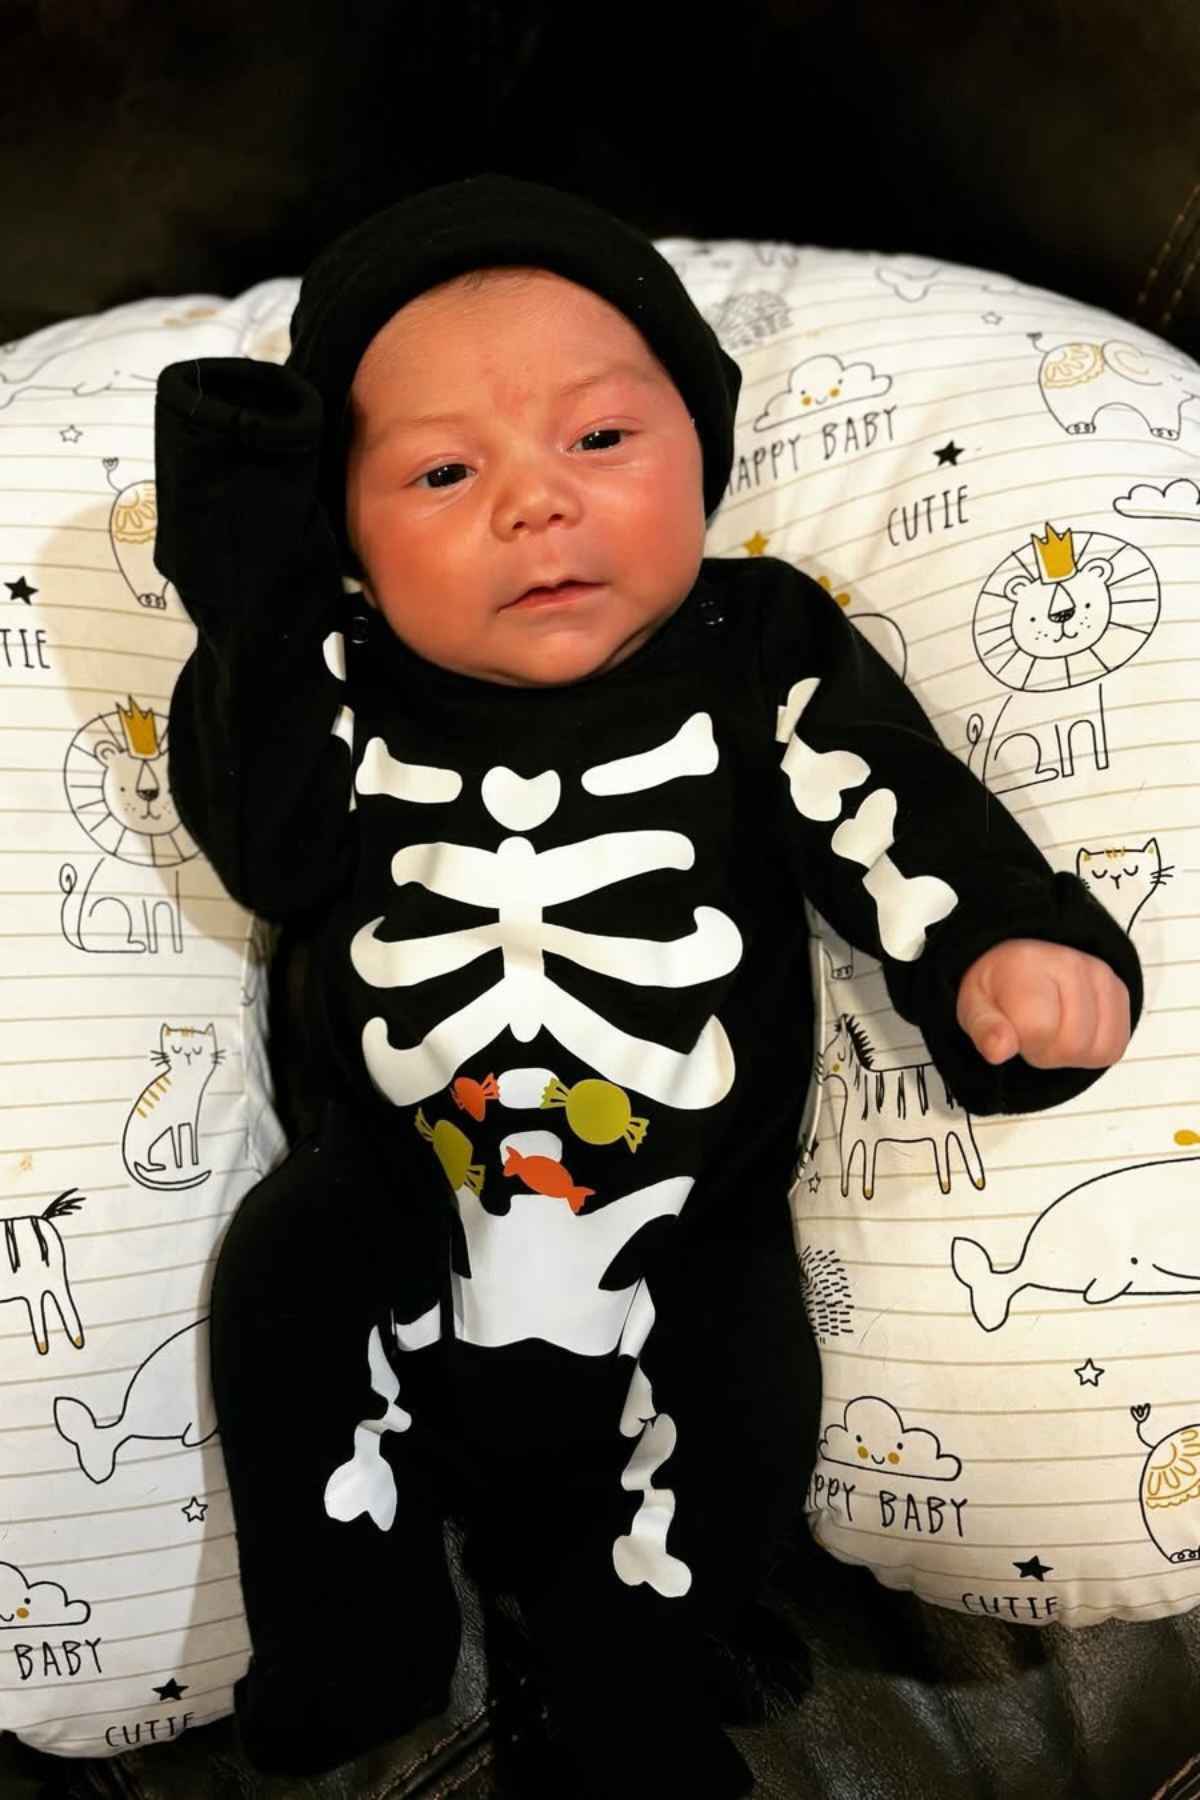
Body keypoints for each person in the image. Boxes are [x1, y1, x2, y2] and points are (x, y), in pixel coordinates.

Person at [153, 172, 1141, 1799]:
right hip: (391, 1194)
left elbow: (886, 807)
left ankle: (634, 1687)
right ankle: (356, 1635)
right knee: (284, 1279)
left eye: (601, 438)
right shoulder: (342, 674)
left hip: (680, 1223)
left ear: (703, 451)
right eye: (444, 471)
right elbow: (267, 844)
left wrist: (999, 947)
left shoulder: (757, 644)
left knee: (742, 1397)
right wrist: (254, 581)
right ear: (349, 536)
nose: (535, 504)